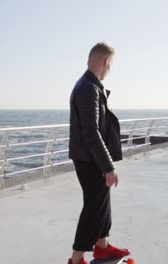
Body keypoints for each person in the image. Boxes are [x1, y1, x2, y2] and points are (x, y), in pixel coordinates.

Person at [67, 42, 130, 264]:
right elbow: (91, 132)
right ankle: (76, 259)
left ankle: (102, 246)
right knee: (94, 206)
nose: (109, 69)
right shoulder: (88, 88)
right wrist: (108, 166)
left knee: (102, 201)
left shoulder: (89, 85)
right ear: (105, 62)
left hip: (89, 157)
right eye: (110, 65)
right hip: (89, 159)